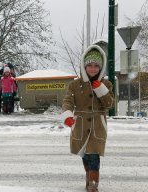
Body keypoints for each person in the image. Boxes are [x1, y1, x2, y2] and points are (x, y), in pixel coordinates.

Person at [61, 45, 114, 192]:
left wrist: (100, 89)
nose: (92, 68)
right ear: (84, 66)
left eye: (96, 65)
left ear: (101, 67)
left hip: (98, 125)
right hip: (80, 124)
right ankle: (88, 174)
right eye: (89, 65)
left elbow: (109, 104)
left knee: (93, 154)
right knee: (84, 154)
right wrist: (67, 115)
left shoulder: (107, 84)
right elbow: (68, 101)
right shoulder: (75, 84)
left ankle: (93, 182)